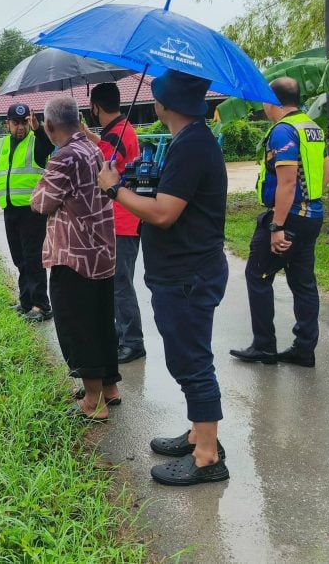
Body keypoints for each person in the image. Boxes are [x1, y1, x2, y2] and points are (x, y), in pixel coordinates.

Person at [97, 69, 229, 486]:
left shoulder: (192, 146)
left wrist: (115, 189)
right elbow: (170, 197)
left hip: (187, 273)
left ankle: (208, 456)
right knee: (186, 356)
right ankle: (197, 434)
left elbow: (164, 213)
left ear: (165, 104)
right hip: (181, 270)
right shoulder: (186, 142)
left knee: (192, 362)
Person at [230, 77, 329, 368]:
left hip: (289, 217)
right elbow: (327, 173)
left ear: (272, 101)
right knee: (303, 282)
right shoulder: (312, 128)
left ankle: (264, 345)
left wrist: (277, 226)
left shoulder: (283, 131)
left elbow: (287, 183)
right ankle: (304, 348)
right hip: (312, 213)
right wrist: (308, 201)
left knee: (258, 275)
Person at [30, 95, 119, 420]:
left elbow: (40, 203)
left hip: (74, 256)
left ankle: (93, 402)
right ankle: (109, 387)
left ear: (50, 125)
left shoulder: (64, 157)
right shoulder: (93, 149)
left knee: (77, 325)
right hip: (102, 252)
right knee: (100, 321)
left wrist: (42, 184)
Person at [80, 82, 146, 363]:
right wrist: (87, 136)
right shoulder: (118, 131)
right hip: (121, 218)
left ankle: (133, 340)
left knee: (120, 283)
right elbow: (109, 150)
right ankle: (122, 333)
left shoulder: (118, 134)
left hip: (123, 219)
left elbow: (105, 166)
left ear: (95, 106)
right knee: (117, 281)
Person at [0, 103, 55, 323]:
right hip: (10, 210)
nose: (20, 127)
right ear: (7, 124)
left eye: (24, 122)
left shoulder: (37, 143)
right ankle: (26, 302)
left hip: (32, 211)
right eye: (16, 123)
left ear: (30, 122)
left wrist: (38, 128)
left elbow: (49, 144)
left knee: (34, 259)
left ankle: (42, 305)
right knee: (19, 258)